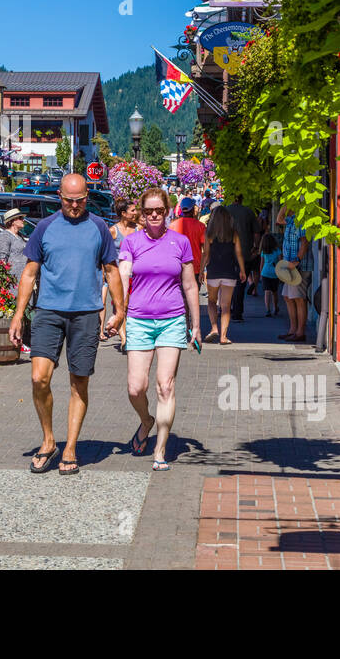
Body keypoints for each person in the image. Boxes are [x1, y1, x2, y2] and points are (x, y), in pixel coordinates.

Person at [12, 174, 123, 476]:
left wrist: (119, 309)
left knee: (79, 381)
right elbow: (29, 272)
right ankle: (49, 440)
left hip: (86, 313)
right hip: (48, 311)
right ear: (59, 196)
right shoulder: (45, 228)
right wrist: (19, 313)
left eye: (80, 200)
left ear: (87, 197)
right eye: (69, 200)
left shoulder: (99, 227)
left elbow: (111, 270)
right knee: (39, 378)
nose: (74, 206)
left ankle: (70, 447)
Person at [118, 187, 202, 472]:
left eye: (159, 210)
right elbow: (124, 275)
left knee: (165, 386)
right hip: (139, 321)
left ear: (167, 212)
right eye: (148, 211)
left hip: (172, 320)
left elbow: (190, 285)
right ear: (141, 214)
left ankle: (160, 448)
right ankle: (146, 420)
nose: (154, 215)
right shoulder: (131, 243)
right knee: (135, 388)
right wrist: (119, 314)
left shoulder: (180, 242)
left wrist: (197, 324)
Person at [202, 206, 247, 344]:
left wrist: (201, 270)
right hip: (229, 272)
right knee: (226, 306)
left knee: (211, 301)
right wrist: (242, 270)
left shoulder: (209, 234)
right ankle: (223, 337)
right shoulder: (233, 233)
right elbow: (239, 253)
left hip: (213, 272)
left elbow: (206, 254)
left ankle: (214, 328)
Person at [102, 198, 140, 344]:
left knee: (132, 305)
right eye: (132, 211)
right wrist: (105, 273)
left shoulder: (138, 229)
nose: (135, 213)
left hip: (136, 274)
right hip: (119, 275)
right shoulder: (113, 231)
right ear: (123, 213)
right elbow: (106, 255)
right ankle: (124, 337)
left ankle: (130, 331)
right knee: (121, 304)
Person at [225, 195, 261, 321]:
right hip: (245, 252)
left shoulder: (225, 211)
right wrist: (256, 247)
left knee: (226, 282)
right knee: (240, 283)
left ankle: (224, 310)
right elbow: (256, 232)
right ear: (241, 199)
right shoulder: (248, 211)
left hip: (226, 251)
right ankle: (237, 313)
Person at [276, 206, 309, 341]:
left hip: (298, 266)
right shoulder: (290, 221)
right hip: (289, 265)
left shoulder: (301, 221)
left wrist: (297, 260)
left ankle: (300, 332)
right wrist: (284, 207)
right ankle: (293, 329)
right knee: (288, 297)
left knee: (298, 298)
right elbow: (279, 219)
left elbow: (304, 242)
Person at [169, 197, 206, 288]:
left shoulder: (173, 226)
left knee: (180, 299)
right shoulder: (200, 226)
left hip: (177, 268)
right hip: (195, 268)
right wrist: (202, 271)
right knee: (193, 298)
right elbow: (205, 250)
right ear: (193, 209)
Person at [258, 232, 282, 317]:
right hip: (275, 274)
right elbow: (280, 263)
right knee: (275, 292)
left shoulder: (263, 252)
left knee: (266, 292)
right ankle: (275, 308)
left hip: (265, 273)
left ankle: (267, 310)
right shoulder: (277, 251)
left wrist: (261, 274)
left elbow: (261, 263)